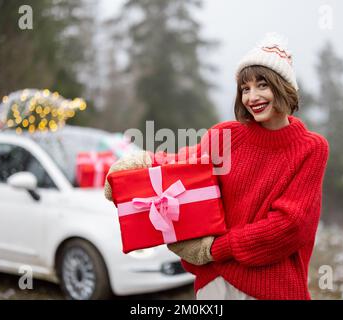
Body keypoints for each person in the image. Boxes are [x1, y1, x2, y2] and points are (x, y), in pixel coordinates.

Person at [104, 34, 329, 300]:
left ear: (283, 88)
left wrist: (215, 249)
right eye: (245, 89)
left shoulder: (311, 148)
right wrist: (142, 163)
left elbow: (288, 227)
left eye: (262, 85)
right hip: (217, 283)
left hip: (272, 288)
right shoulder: (228, 136)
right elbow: (187, 163)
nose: (252, 96)